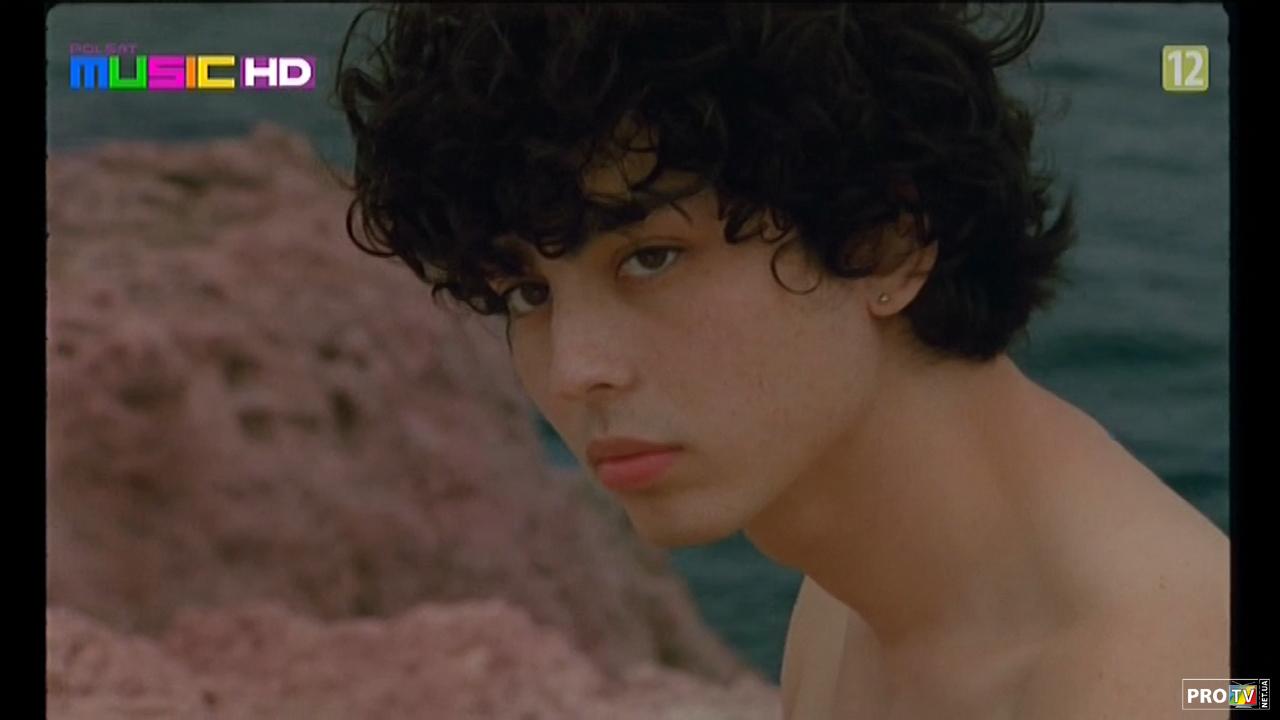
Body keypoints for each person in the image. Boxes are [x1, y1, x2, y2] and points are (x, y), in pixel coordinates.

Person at [334, 3, 1230, 718]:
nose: (576, 370)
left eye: (650, 258)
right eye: (527, 294)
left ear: (884, 243)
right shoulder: (852, 600)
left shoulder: (1168, 680)